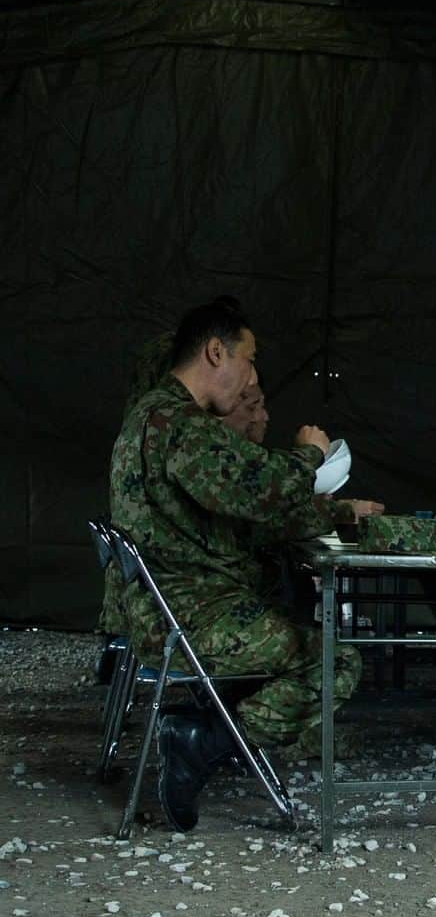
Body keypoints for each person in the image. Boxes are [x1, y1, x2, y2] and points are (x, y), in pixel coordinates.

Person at [109, 301, 366, 832]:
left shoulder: (152, 417)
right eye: (249, 361)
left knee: (285, 604)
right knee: (334, 659)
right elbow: (261, 488)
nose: (251, 375)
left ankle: (205, 735)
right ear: (215, 351)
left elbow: (230, 509)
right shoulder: (178, 424)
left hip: (168, 615)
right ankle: (202, 742)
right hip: (192, 621)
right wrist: (311, 455)